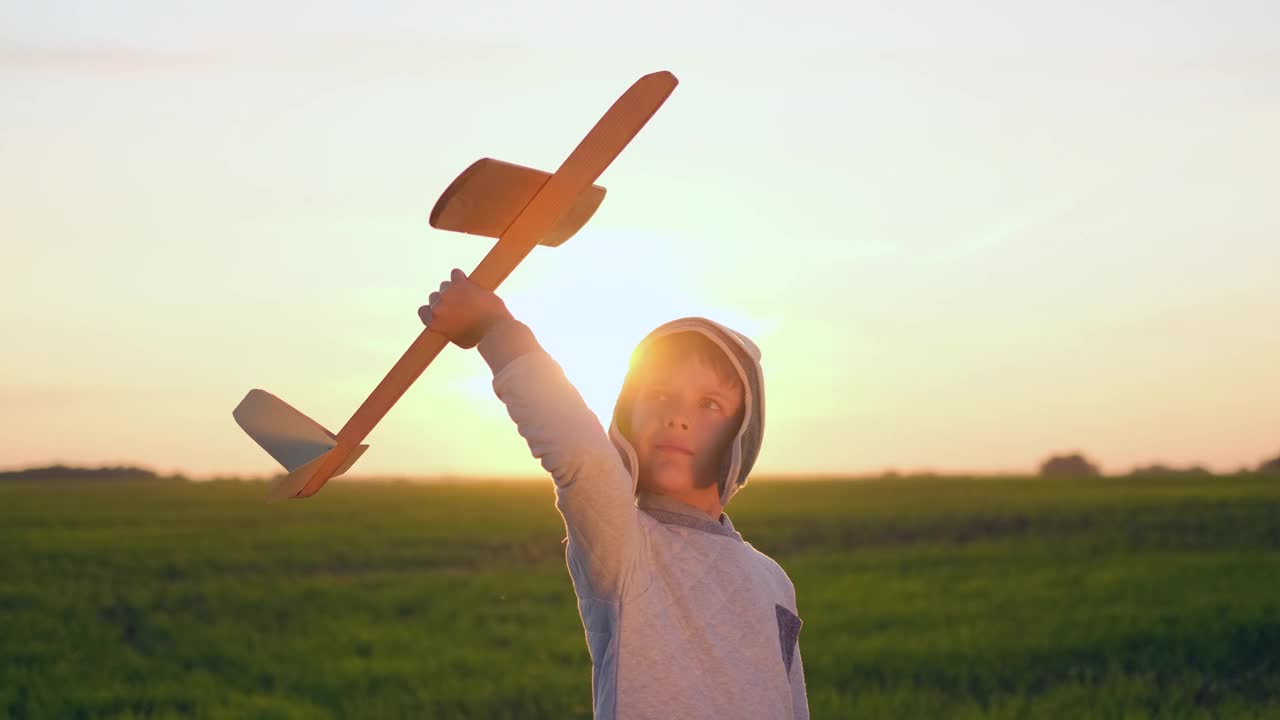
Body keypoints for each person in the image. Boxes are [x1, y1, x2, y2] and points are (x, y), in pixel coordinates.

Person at [419, 268, 809, 719]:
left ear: (742, 434)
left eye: (709, 404)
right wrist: (495, 328)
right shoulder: (624, 545)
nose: (678, 417)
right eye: (659, 395)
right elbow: (581, 453)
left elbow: (792, 703)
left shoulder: (772, 579)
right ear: (627, 417)